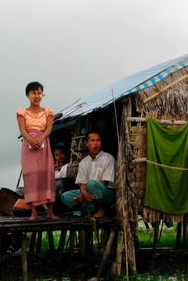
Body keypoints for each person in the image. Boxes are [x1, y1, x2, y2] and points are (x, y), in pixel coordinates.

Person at [16, 81, 58, 220]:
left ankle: (50, 212)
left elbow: (49, 129)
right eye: (33, 93)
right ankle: (33, 213)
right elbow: (22, 130)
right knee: (30, 176)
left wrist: (41, 138)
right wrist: (30, 139)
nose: (37, 96)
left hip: (44, 145)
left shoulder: (48, 111)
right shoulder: (22, 112)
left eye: (39, 93)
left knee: (47, 175)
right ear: (28, 95)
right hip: (28, 146)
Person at [60, 131, 116, 218]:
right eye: (92, 141)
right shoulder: (83, 162)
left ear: (101, 143)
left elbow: (104, 182)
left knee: (91, 184)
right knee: (65, 197)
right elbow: (82, 184)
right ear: (86, 143)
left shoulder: (108, 158)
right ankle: (89, 208)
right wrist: (84, 194)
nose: (95, 143)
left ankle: (102, 209)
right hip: (89, 194)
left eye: (98, 140)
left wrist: (84, 195)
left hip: (106, 193)